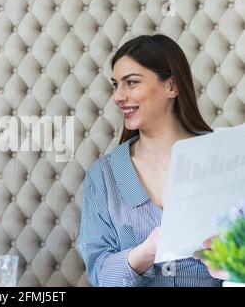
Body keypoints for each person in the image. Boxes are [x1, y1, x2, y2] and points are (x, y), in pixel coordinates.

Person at [79, 34, 223, 286]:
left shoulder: (223, 156)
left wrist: (232, 261)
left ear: (172, 86)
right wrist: (146, 251)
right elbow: (100, 276)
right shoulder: (103, 175)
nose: (118, 97)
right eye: (115, 85)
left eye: (131, 83)